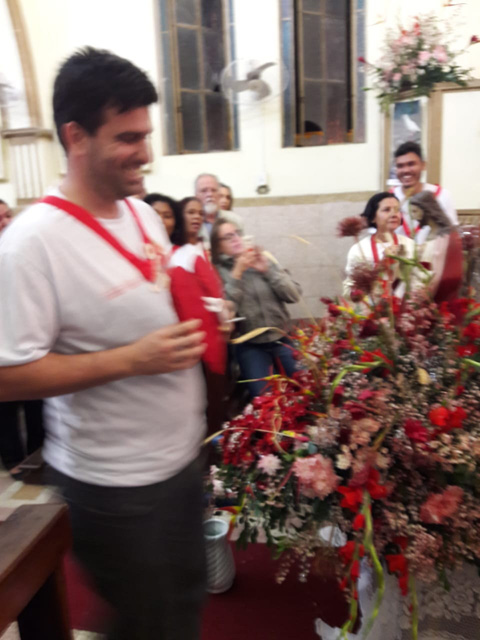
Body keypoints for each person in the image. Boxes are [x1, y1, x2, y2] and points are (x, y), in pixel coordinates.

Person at [0, 47, 208, 640]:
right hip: (116, 484)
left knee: (183, 604)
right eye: (128, 137)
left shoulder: (140, 214)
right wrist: (131, 361)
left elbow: (148, 296)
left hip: (180, 458)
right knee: (152, 624)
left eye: (147, 134)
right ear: (76, 136)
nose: (146, 153)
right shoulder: (30, 245)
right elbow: (7, 377)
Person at [211, 218, 301, 398]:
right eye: (228, 237)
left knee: (304, 386)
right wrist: (237, 273)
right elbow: (226, 311)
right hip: (250, 346)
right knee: (264, 399)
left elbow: (294, 295)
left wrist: (268, 270)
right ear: (218, 246)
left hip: (282, 338)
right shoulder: (217, 272)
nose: (235, 239)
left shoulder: (264, 259)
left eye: (237, 233)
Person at [0, 199, 45, 477]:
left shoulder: (20, 249)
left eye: (8, 215)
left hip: (29, 337)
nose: (6, 222)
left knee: (36, 400)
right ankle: (13, 460)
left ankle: (37, 454)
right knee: (5, 408)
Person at [344, 192, 417, 298]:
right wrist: (381, 266)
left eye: (397, 210)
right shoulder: (360, 249)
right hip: (373, 305)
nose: (394, 214)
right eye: (387, 210)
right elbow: (350, 292)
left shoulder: (410, 245)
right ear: (373, 217)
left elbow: (419, 282)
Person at [392, 141, 458, 243]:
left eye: (411, 164)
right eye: (400, 166)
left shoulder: (441, 195)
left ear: (423, 165)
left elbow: (452, 235)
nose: (406, 170)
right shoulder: (389, 198)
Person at [410, 191, 463, 303]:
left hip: (437, 297)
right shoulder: (425, 233)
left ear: (426, 209)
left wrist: (424, 295)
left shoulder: (448, 237)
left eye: (415, 211)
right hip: (420, 288)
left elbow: (449, 273)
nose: (414, 217)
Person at [194, 173, 242, 245]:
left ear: (219, 194)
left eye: (213, 190)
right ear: (196, 196)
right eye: (204, 191)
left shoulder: (235, 220)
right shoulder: (191, 223)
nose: (209, 194)